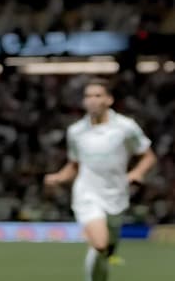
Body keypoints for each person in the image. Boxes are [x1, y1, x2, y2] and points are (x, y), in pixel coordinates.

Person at [44, 77, 157, 281]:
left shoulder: (125, 127)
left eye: (98, 95)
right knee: (100, 244)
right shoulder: (76, 131)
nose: (92, 100)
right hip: (87, 194)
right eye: (88, 96)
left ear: (109, 100)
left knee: (102, 252)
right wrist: (59, 177)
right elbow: (74, 165)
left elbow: (148, 156)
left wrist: (137, 173)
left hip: (117, 197)